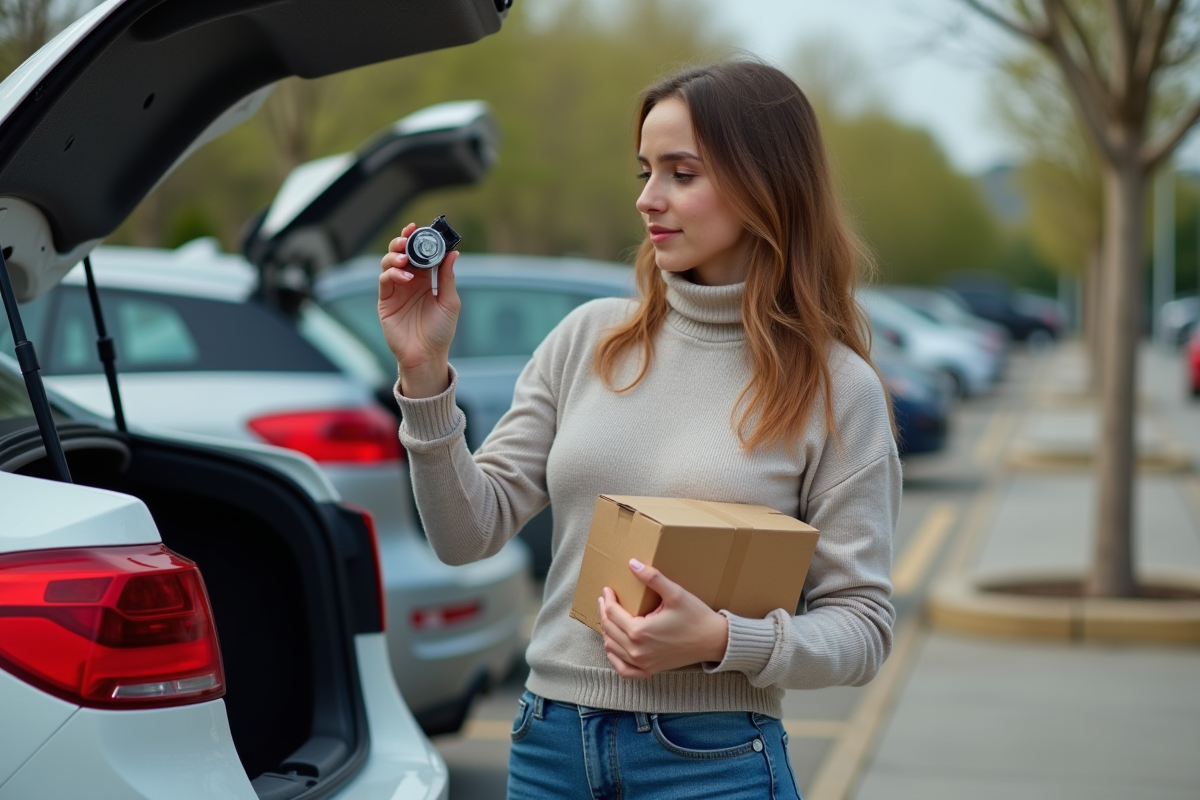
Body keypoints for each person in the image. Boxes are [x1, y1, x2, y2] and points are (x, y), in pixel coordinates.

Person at [378, 60, 899, 800]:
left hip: (712, 764)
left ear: (767, 185)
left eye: (681, 173)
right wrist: (425, 376)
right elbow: (467, 534)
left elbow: (863, 627)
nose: (649, 200)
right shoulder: (587, 338)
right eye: (645, 171)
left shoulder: (836, 387)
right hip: (547, 746)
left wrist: (723, 640)